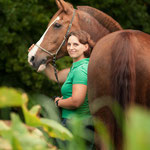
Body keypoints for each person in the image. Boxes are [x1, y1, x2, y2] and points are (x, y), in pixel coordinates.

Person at [29, 30, 95, 149]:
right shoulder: (78, 68)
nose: (71, 48)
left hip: (77, 126)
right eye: (69, 44)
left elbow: (76, 101)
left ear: (85, 47)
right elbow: (56, 76)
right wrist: (37, 54)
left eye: (76, 44)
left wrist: (59, 102)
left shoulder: (81, 70)